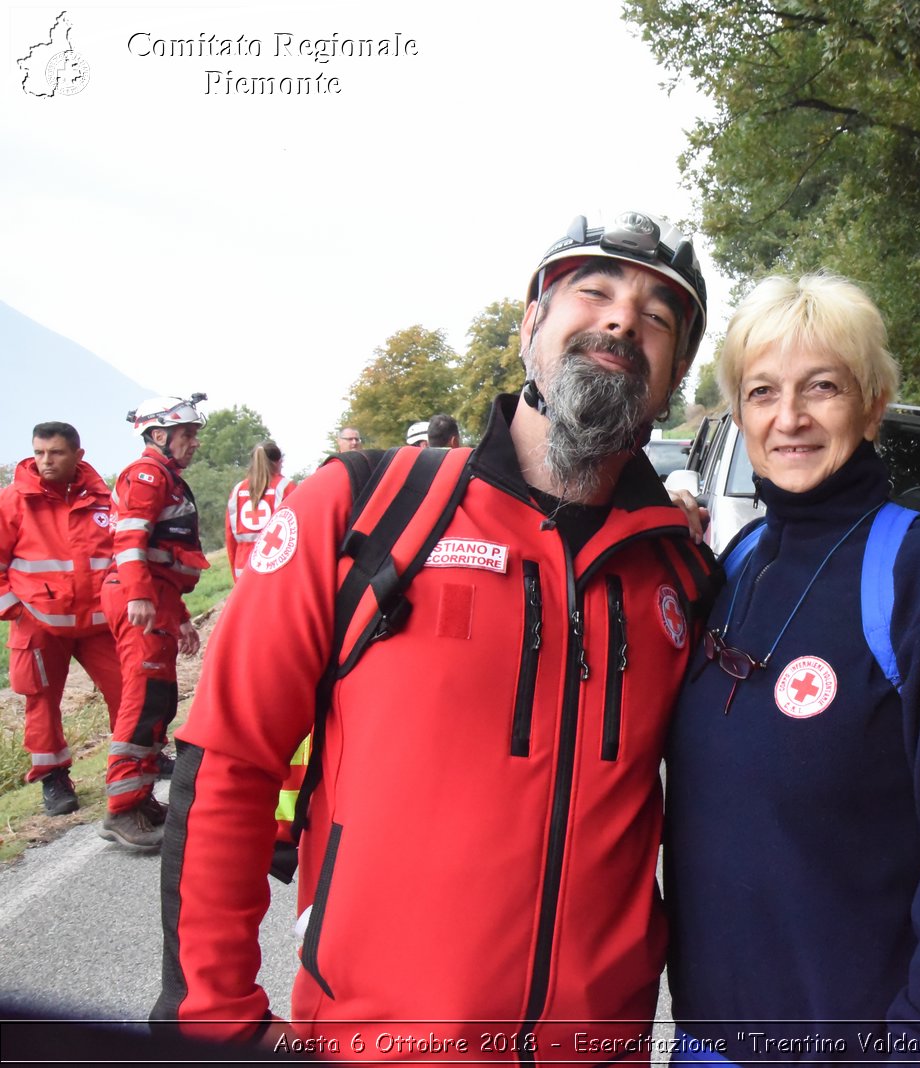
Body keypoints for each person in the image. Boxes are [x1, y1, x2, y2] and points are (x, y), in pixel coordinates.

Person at [155, 210, 719, 1060]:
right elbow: (229, 761)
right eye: (593, 293)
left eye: (658, 317)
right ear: (530, 325)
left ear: (674, 373)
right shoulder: (365, 506)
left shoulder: (682, 577)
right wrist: (214, 1022)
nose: (620, 320)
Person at [663, 273, 920, 1064]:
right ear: (739, 413)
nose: (790, 417)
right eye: (763, 391)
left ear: (872, 404)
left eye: (822, 388)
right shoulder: (739, 564)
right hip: (706, 1045)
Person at [100, 394, 210, 850]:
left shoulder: (166, 478)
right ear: (159, 435)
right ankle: (122, 810)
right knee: (143, 700)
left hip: (156, 600)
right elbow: (130, 541)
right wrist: (140, 597)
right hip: (138, 599)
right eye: (187, 435)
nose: (194, 444)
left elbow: (165, 558)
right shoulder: (146, 475)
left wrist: (179, 616)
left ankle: (140, 798)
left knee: (160, 702)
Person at [0, 422, 124, 817]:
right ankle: (54, 780)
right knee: (40, 703)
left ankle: (135, 762)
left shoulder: (106, 499)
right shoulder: (13, 501)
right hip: (38, 622)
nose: (45, 461)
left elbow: (121, 552)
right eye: (39, 453)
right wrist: (15, 609)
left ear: (78, 455)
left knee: (129, 689)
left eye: (55, 453)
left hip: (100, 622)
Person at [224, 442, 294, 581]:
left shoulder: (237, 491)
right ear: (278, 461)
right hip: (278, 569)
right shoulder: (286, 487)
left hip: (244, 570)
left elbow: (230, 537)